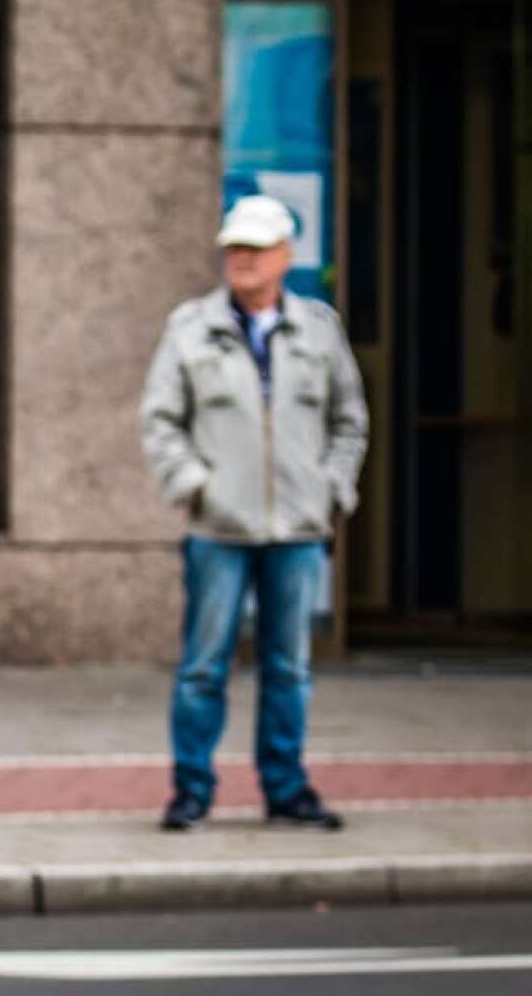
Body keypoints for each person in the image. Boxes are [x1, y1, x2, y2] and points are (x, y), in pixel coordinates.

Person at [140, 195, 369, 833]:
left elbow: (349, 420)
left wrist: (332, 489)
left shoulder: (319, 328)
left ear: (285, 257)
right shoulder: (189, 327)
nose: (241, 259)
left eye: (256, 248)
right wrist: (196, 486)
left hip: (297, 529)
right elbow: (161, 421)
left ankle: (286, 789)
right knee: (204, 667)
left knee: (289, 668)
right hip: (219, 528)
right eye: (234, 247)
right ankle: (191, 791)